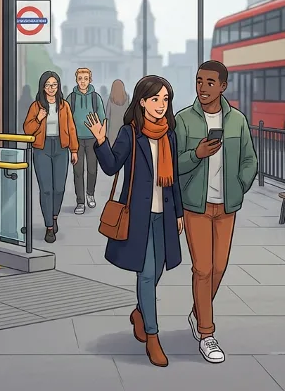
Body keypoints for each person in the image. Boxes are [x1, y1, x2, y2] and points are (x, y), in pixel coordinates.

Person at [85, 75, 185, 367]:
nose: (161, 106)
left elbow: (174, 178)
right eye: (155, 100)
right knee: (146, 273)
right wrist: (101, 141)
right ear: (142, 101)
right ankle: (152, 336)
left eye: (165, 100)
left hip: (164, 214)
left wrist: (178, 211)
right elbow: (111, 165)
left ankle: (141, 313)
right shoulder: (131, 133)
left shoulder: (170, 134)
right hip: (138, 215)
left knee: (158, 272)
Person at [174, 60, 258, 364]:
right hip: (195, 205)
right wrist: (196, 154)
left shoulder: (237, 120)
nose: (203, 88)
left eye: (210, 82)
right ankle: (207, 333)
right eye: (199, 81)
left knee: (219, 268)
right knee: (203, 269)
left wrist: (239, 184)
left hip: (227, 206)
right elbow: (173, 165)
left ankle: (198, 313)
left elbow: (250, 160)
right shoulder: (183, 120)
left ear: (223, 86)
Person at [23, 71, 79, 243]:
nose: (51, 88)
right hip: (42, 148)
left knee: (59, 188)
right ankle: (49, 226)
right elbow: (27, 129)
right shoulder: (36, 106)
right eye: (48, 85)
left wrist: (74, 149)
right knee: (46, 189)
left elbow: (71, 128)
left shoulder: (64, 106)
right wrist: (39, 118)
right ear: (42, 87)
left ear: (58, 86)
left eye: (54, 85)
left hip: (61, 148)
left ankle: (54, 216)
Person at [67, 68, 106, 214]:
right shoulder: (71, 98)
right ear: (76, 80)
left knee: (92, 169)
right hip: (76, 139)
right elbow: (66, 118)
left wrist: (101, 137)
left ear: (90, 80)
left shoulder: (96, 98)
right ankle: (80, 202)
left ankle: (90, 193)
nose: (82, 81)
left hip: (92, 140)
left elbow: (102, 117)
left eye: (85, 78)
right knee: (78, 171)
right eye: (80, 78)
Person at [106, 79, 129, 145]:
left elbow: (107, 116)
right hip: (124, 129)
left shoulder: (110, 100)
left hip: (112, 131)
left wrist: (106, 133)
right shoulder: (127, 99)